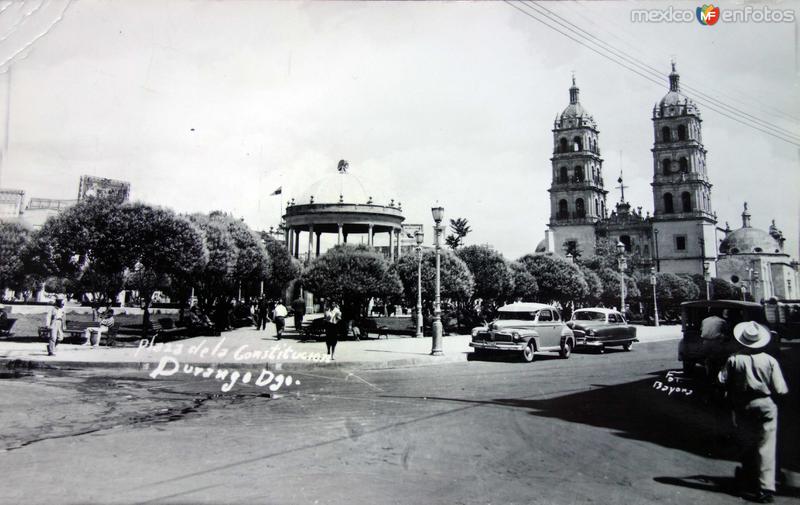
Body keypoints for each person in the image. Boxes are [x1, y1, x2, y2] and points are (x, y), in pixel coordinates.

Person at [718, 321, 788, 503]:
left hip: (742, 405)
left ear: (743, 341)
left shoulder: (734, 359)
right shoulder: (770, 361)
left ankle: (748, 480)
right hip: (765, 404)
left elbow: (721, 380)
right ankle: (766, 489)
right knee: (766, 446)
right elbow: (781, 389)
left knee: (747, 443)